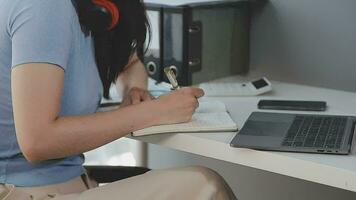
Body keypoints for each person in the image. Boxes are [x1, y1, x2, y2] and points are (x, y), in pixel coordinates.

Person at [0, 0, 237, 199]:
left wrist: (133, 89)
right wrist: (153, 112)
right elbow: (37, 140)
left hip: (70, 183)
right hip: (27, 192)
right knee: (206, 186)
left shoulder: (88, 11)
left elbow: (129, 63)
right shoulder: (44, 7)